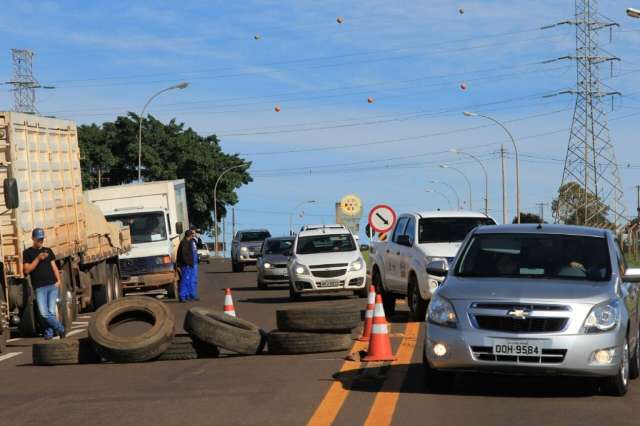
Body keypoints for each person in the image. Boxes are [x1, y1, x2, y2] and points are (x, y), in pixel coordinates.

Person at [22, 228, 65, 339]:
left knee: (51, 311)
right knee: (44, 313)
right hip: (39, 287)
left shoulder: (48, 251)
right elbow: (27, 270)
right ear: (33, 238)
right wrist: (38, 258)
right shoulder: (27, 253)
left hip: (52, 285)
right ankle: (60, 329)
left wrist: (59, 281)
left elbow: (54, 267)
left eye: (42, 239)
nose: (41, 241)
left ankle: (49, 332)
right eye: (38, 239)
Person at [177, 230, 195, 303]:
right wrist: (187, 263)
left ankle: (186, 295)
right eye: (192, 235)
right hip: (185, 265)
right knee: (184, 281)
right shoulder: (184, 243)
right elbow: (184, 255)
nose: (192, 236)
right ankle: (182, 296)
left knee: (187, 280)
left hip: (188, 264)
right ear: (190, 235)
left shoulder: (188, 242)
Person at [189, 229, 200, 301]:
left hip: (195, 262)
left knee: (195, 279)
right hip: (191, 263)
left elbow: (200, 245)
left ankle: (193, 294)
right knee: (191, 279)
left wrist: (197, 238)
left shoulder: (194, 241)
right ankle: (191, 294)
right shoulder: (188, 242)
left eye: (194, 232)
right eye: (192, 232)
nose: (194, 234)